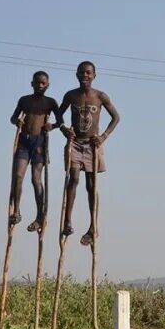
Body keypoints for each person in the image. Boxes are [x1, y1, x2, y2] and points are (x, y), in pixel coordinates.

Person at [57, 61, 120, 245]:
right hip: (75, 143)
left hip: (92, 146)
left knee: (91, 186)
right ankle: (67, 221)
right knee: (73, 179)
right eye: (81, 73)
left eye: (88, 73)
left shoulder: (100, 96)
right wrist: (63, 128)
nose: (85, 76)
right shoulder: (71, 96)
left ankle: (93, 228)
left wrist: (103, 136)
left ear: (94, 75)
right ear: (76, 75)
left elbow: (116, 117)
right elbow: (59, 114)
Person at [9, 71, 62, 231]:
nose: (40, 86)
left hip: (39, 141)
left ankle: (40, 216)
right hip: (24, 140)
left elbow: (60, 121)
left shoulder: (51, 102)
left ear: (47, 85)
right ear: (32, 83)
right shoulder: (24, 100)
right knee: (18, 176)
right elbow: (13, 117)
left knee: (36, 179)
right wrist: (16, 121)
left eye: (43, 83)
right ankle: (16, 211)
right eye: (37, 83)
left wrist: (51, 126)